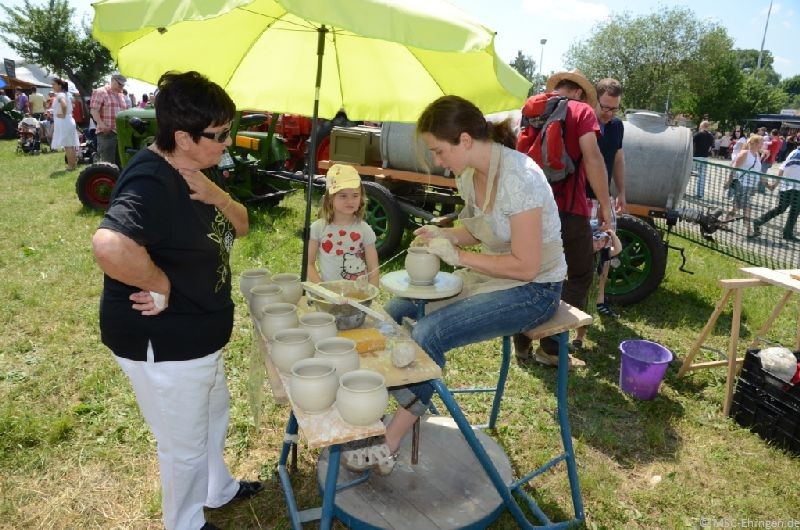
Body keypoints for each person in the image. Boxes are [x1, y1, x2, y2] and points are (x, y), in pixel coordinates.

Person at [341, 95, 567, 475]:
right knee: (391, 315)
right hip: (496, 275)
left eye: (439, 151)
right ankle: (395, 403)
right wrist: (444, 236)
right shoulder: (469, 175)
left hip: (536, 289)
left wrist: (458, 256)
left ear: (465, 140)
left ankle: (389, 442)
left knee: (429, 332)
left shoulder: (521, 178)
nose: (437, 161)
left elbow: (526, 266)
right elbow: (480, 230)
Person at [91, 71, 258, 530]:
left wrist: (219, 196)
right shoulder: (151, 181)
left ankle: (217, 489)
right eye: (220, 134)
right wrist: (160, 283)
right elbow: (109, 245)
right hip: (165, 342)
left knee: (214, 414)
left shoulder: (198, 170)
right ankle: (185, 524)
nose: (228, 142)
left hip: (198, 335)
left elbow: (243, 226)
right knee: (183, 445)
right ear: (183, 137)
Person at [514, 69, 611, 368]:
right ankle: (552, 348)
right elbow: (592, 157)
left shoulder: (532, 108)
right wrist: (605, 205)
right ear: (580, 92)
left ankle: (521, 344)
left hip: (527, 207)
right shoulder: (581, 111)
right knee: (579, 273)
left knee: (530, 272)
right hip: (567, 209)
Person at [588, 77, 625, 323]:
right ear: (595, 100)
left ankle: (600, 299)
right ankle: (577, 300)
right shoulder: (584, 123)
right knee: (581, 251)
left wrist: (622, 192)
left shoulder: (617, 127)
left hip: (604, 198)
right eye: (605, 107)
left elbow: (618, 158)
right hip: (582, 198)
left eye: (615, 109)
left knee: (607, 250)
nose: (609, 113)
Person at [307, 164, 379, 286]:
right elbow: (309, 264)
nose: (350, 201)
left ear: (361, 198)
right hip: (327, 293)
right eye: (343, 196)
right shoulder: (317, 228)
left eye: (355, 195)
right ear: (330, 198)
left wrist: (372, 292)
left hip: (358, 293)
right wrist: (322, 289)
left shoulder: (365, 229)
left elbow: (374, 267)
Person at [572, 224, 622, 348]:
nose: (600, 244)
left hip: (591, 290)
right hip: (578, 287)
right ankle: (562, 335)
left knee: (586, 313)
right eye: (596, 240)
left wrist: (612, 235)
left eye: (603, 241)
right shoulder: (582, 251)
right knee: (573, 311)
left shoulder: (603, 252)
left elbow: (618, 249)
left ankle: (579, 337)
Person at [753, 146, 800, 242]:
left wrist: (775, 184)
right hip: (797, 188)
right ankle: (787, 233)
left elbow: (782, 169)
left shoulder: (793, 152)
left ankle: (759, 220)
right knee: (795, 211)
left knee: (781, 208)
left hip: (785, 186)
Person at [722, 134, 764, 238]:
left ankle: (724, 223)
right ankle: (749, 231)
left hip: (750, 185)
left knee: (736, 207)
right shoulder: (745, 153)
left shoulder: (756, 155)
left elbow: (758, 171)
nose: (763, 144)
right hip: (742, 184)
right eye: (761, 142)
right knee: (746, 208)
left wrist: (767, 184)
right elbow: (734, 167)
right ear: (755, 143)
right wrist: (728, 181)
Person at [90, 73, 130, 164]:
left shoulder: (121, 95)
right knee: (108, 163)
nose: (122, 86)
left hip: (120, 134)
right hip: (107, 133)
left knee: (121, 162)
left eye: (123, 84)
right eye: (120, 84)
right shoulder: (100, 92)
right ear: (113, 81)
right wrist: (102, 126)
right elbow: (94, 111)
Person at [50, 78, 80, 171]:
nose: (52, 86)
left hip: (64, 121)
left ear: (60, 85)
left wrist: (63, 114)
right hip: (68, 120)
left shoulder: (60, 95)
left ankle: (71, 166)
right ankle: (73, 165)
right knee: (70, 144)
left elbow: (64, 105)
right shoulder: (66, 94)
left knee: (68, 145)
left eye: (54, 84)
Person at [692, 120, 714, 198]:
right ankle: (700, 194)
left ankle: (682, 191)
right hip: (705, 158)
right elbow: (710, 148)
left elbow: (691, 144)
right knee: (702, 177)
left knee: (687, 173)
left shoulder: (698, 134)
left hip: (696, 157)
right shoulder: (711, 136)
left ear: (702, 126)